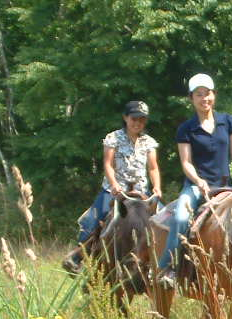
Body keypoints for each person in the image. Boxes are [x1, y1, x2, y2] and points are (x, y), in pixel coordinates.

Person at [156, 73, 232, 288]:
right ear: (191, 99)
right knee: (180, 217)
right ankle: (168, 267)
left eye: (207, 94)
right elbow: (186, 162)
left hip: (226, 185)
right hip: (198, 186)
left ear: (214, 95)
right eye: (199, 94)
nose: (204, 98)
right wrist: (198, 180)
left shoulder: (228, 121)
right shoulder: (186, 129)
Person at [62, 99, 161, 273]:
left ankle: (164, 263)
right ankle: (77, 258)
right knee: (94, 220)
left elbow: (153, 167)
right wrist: (115, 185)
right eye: (134, 118)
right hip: (115, 190)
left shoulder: (149, 142)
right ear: (125, 118)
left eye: (142, 119)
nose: (137, 123)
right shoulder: (113, 138)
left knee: (164, 218)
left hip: (141, 192)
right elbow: (108, 164)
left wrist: (157, 187)